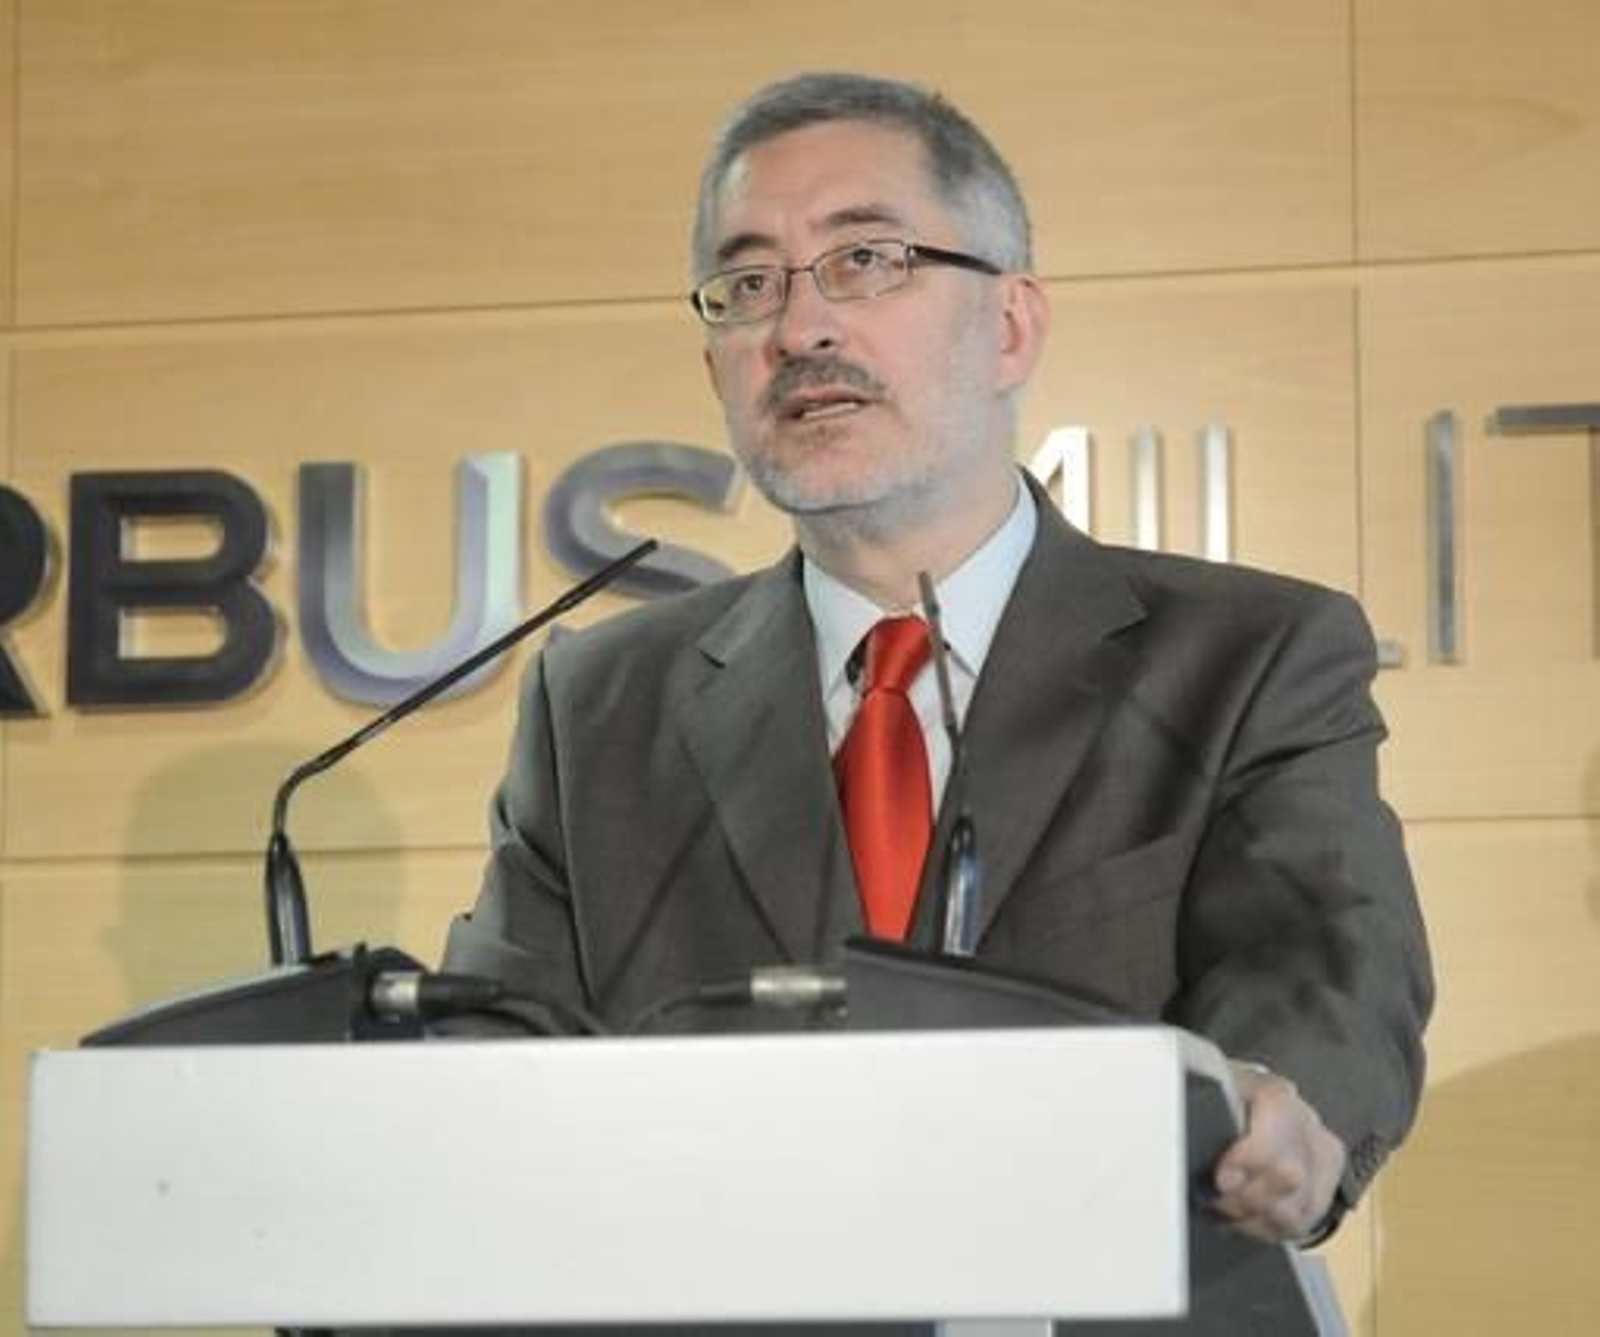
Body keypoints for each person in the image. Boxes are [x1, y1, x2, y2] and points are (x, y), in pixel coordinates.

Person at [445, 71, 1431, 1263]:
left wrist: (1286, 1109)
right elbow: (492, 1058)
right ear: (715, 366)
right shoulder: (598, 704)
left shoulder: (1245, 657)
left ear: (1009, 325)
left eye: (866, 261)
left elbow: (1324, 968)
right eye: (749, 283)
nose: (800, 328)